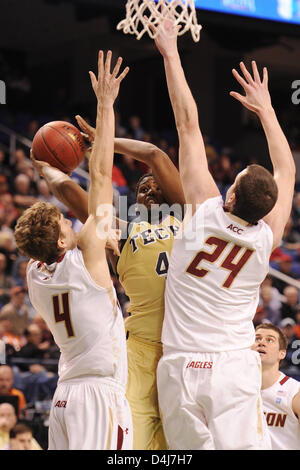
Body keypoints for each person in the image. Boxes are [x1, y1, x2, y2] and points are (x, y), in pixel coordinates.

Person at [149, 15, 295, 450]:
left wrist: (170, 52)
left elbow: (187, 124)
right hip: (233, 365)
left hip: (180, 366)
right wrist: (268, 110)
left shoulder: (204, 214)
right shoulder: (269, 234)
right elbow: (286, 169)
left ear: (230, 197)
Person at [31, 119, 185, 450]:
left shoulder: (187, 217)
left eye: (155, 185)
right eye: (142, 188)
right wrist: (46, 168)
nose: (149, 190)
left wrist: (103, 141)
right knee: (131, 451)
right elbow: (72, 194)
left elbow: (155, 155)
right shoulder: (122, 233)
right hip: (141, 351)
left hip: (187, 350)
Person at [13, 50, 132, 450]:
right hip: (99, 397)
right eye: (67, 223)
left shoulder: (34, 275)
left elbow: (52, 233)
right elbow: (100, 174)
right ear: (62, 241)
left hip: (65, 398)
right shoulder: (88, 263)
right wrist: (105, 103)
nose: (74, 222)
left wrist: (46, 167)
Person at [253, 323, 300, 449]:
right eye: (257, 338)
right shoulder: (236, 388)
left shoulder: (294, 392)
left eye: (270, 340)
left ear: (282, 354)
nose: (261, 343)